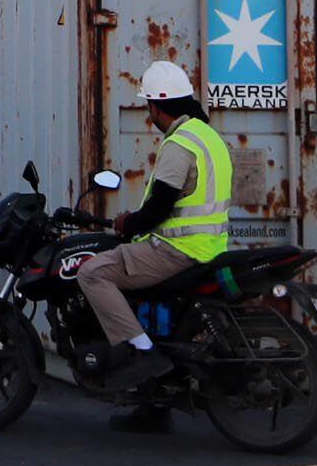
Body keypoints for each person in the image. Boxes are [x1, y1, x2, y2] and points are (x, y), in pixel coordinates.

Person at [76, 58, 236, 398]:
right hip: (209, 248)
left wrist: (129, 224)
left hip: (179, 250)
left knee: (92, 273)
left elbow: (160, 207)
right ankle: (150, 405)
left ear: (157, 106)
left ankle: (139, 351)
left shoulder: (180, 143)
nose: (149, 116)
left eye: (149, 107)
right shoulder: (209, 137)